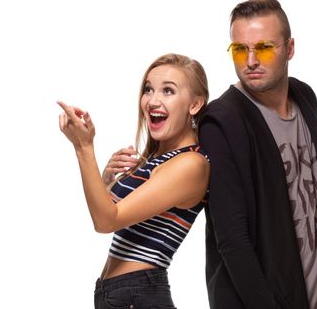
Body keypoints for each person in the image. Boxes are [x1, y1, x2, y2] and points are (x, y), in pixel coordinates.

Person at [198, 0, 317, 309]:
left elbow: (312, 178)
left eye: (265, 47)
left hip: (314, 290)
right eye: (240, 49)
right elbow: (231, 240)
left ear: (290, 48)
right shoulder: (221, 121)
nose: (251, 61)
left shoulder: (304, 96)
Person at [58, 53, 210, 309]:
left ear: (194, 105)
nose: (153, 100)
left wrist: (84, 148)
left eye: (168, 91)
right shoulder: (156, 158)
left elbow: (106, 221)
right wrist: (105, 179)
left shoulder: (190, 164)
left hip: (138, 296)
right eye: (148, 89)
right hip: (121, 294)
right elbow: (110, 212)